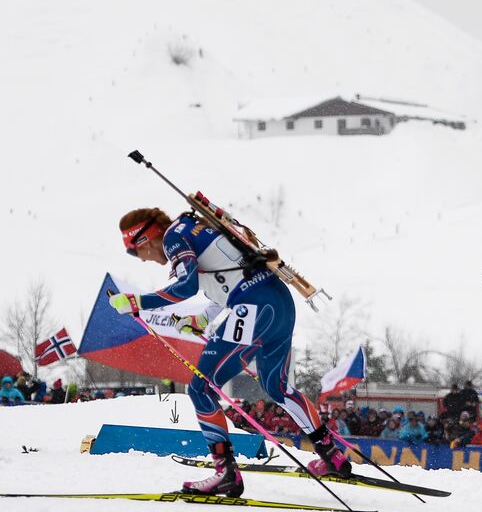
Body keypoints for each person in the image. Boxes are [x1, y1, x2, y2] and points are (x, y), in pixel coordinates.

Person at [109, 208, 353, 497]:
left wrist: (139, 301)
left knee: (200, 388)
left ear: (145, 240)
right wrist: (202, 319)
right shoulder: (195, 228)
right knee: (278, 388)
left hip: (253, 307)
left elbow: (186, 287)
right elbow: (229, 278)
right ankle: (332, 456)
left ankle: (225, 473)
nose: (145, 259)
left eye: (136, 253)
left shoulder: (173, 237)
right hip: (279, 303)